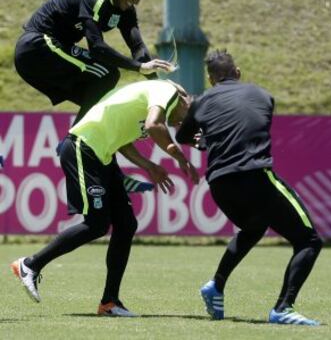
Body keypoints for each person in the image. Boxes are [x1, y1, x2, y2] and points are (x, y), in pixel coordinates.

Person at [11, 79, 199, 316]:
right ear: (184, 101)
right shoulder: (167, 92)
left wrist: (149, 165)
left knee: (126, 224)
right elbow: (153, 125)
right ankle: (30, 265)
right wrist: (181, 158)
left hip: (103, 156)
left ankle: (110, 303)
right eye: (185, 118)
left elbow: (123, 142)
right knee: (97, 224)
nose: (181, 124)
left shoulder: (158, 99)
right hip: (83, 148)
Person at [176, 50, 322, 326]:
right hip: (254, 177)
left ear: (210, 79)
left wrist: (203, 141)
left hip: (220, 184)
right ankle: (283, 308)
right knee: (309, 241)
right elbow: (249, 123)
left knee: (254, 227)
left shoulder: (202, 101)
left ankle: (216, 285)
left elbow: (184, 135)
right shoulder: (262, 95)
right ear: (238, 72)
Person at [14, 0, 172, 193]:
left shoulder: (125, 8)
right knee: (108, 74)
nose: (137, 1)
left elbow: (137, 46)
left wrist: (159, 85)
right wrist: (139, 67)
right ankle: (72, 142)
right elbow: (97, 48)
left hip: (51, 54)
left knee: (103, 108)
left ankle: (113, 173)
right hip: (37, 47)